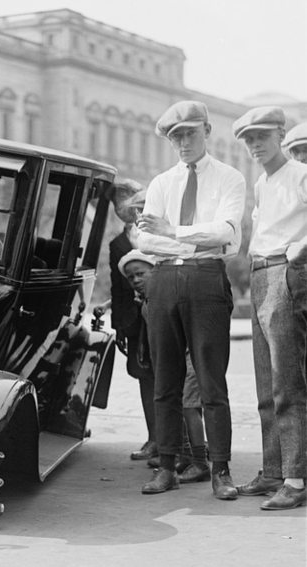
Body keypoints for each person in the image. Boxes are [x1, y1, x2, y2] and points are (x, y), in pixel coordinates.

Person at [136, 100, 246, 499]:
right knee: (165, 379)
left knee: (211, 380)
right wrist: (181, 233)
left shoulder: (230, 178)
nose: (182, 142)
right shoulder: (162, 183)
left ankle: (221, 470)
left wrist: (173, 229)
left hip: (206, 278)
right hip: (163, 278)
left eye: (189, 133)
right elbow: (145, 238)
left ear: (206, 131)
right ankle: (167, 467)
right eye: (175, 136)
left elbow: (225, 232)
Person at [232, 106, 307, 510]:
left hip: (285, 271)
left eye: (261, 136)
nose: (255, 145)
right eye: (248, 139)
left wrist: (301, 249)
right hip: (261, 272)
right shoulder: (262, 184)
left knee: (286, 382)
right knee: (265, 382)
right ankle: (274, 471)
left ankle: (296, 479)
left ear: (280, 134)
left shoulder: (300, 173)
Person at [118, 249, 210, 485]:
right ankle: (186, 454)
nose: (136, 280)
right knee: (177, 404)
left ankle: (200, 462)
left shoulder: (168, 296)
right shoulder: (146, 302)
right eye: (131, 278)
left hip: (192, 356)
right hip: (176, 359)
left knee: (189, 406)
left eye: (141, 274)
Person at [104, 180, 157, 461]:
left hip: (160, 315)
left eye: (126, 198)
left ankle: (181, 441)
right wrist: (119, 326)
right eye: (116, 202)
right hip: (134, 323)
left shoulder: (156, 234)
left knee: (170, 376)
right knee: (144, 377)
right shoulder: (117, 244)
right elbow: (116, 286)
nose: (121, 206)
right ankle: (154, 438)